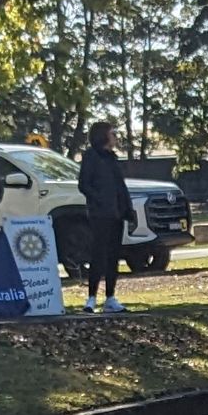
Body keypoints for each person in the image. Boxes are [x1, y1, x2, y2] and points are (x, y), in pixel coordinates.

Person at [75, 117, 136, 315]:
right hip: (100, 213)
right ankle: (91, 297)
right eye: (112, 133)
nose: (115, 137)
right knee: (98, 254)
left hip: (116, 213)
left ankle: (110, 296)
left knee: (113, 256)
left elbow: (120, 186)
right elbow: (84, 184)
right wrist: (100, 199)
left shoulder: (113, 158)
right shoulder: (92, 157)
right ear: (103, 136)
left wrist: (127, 208)